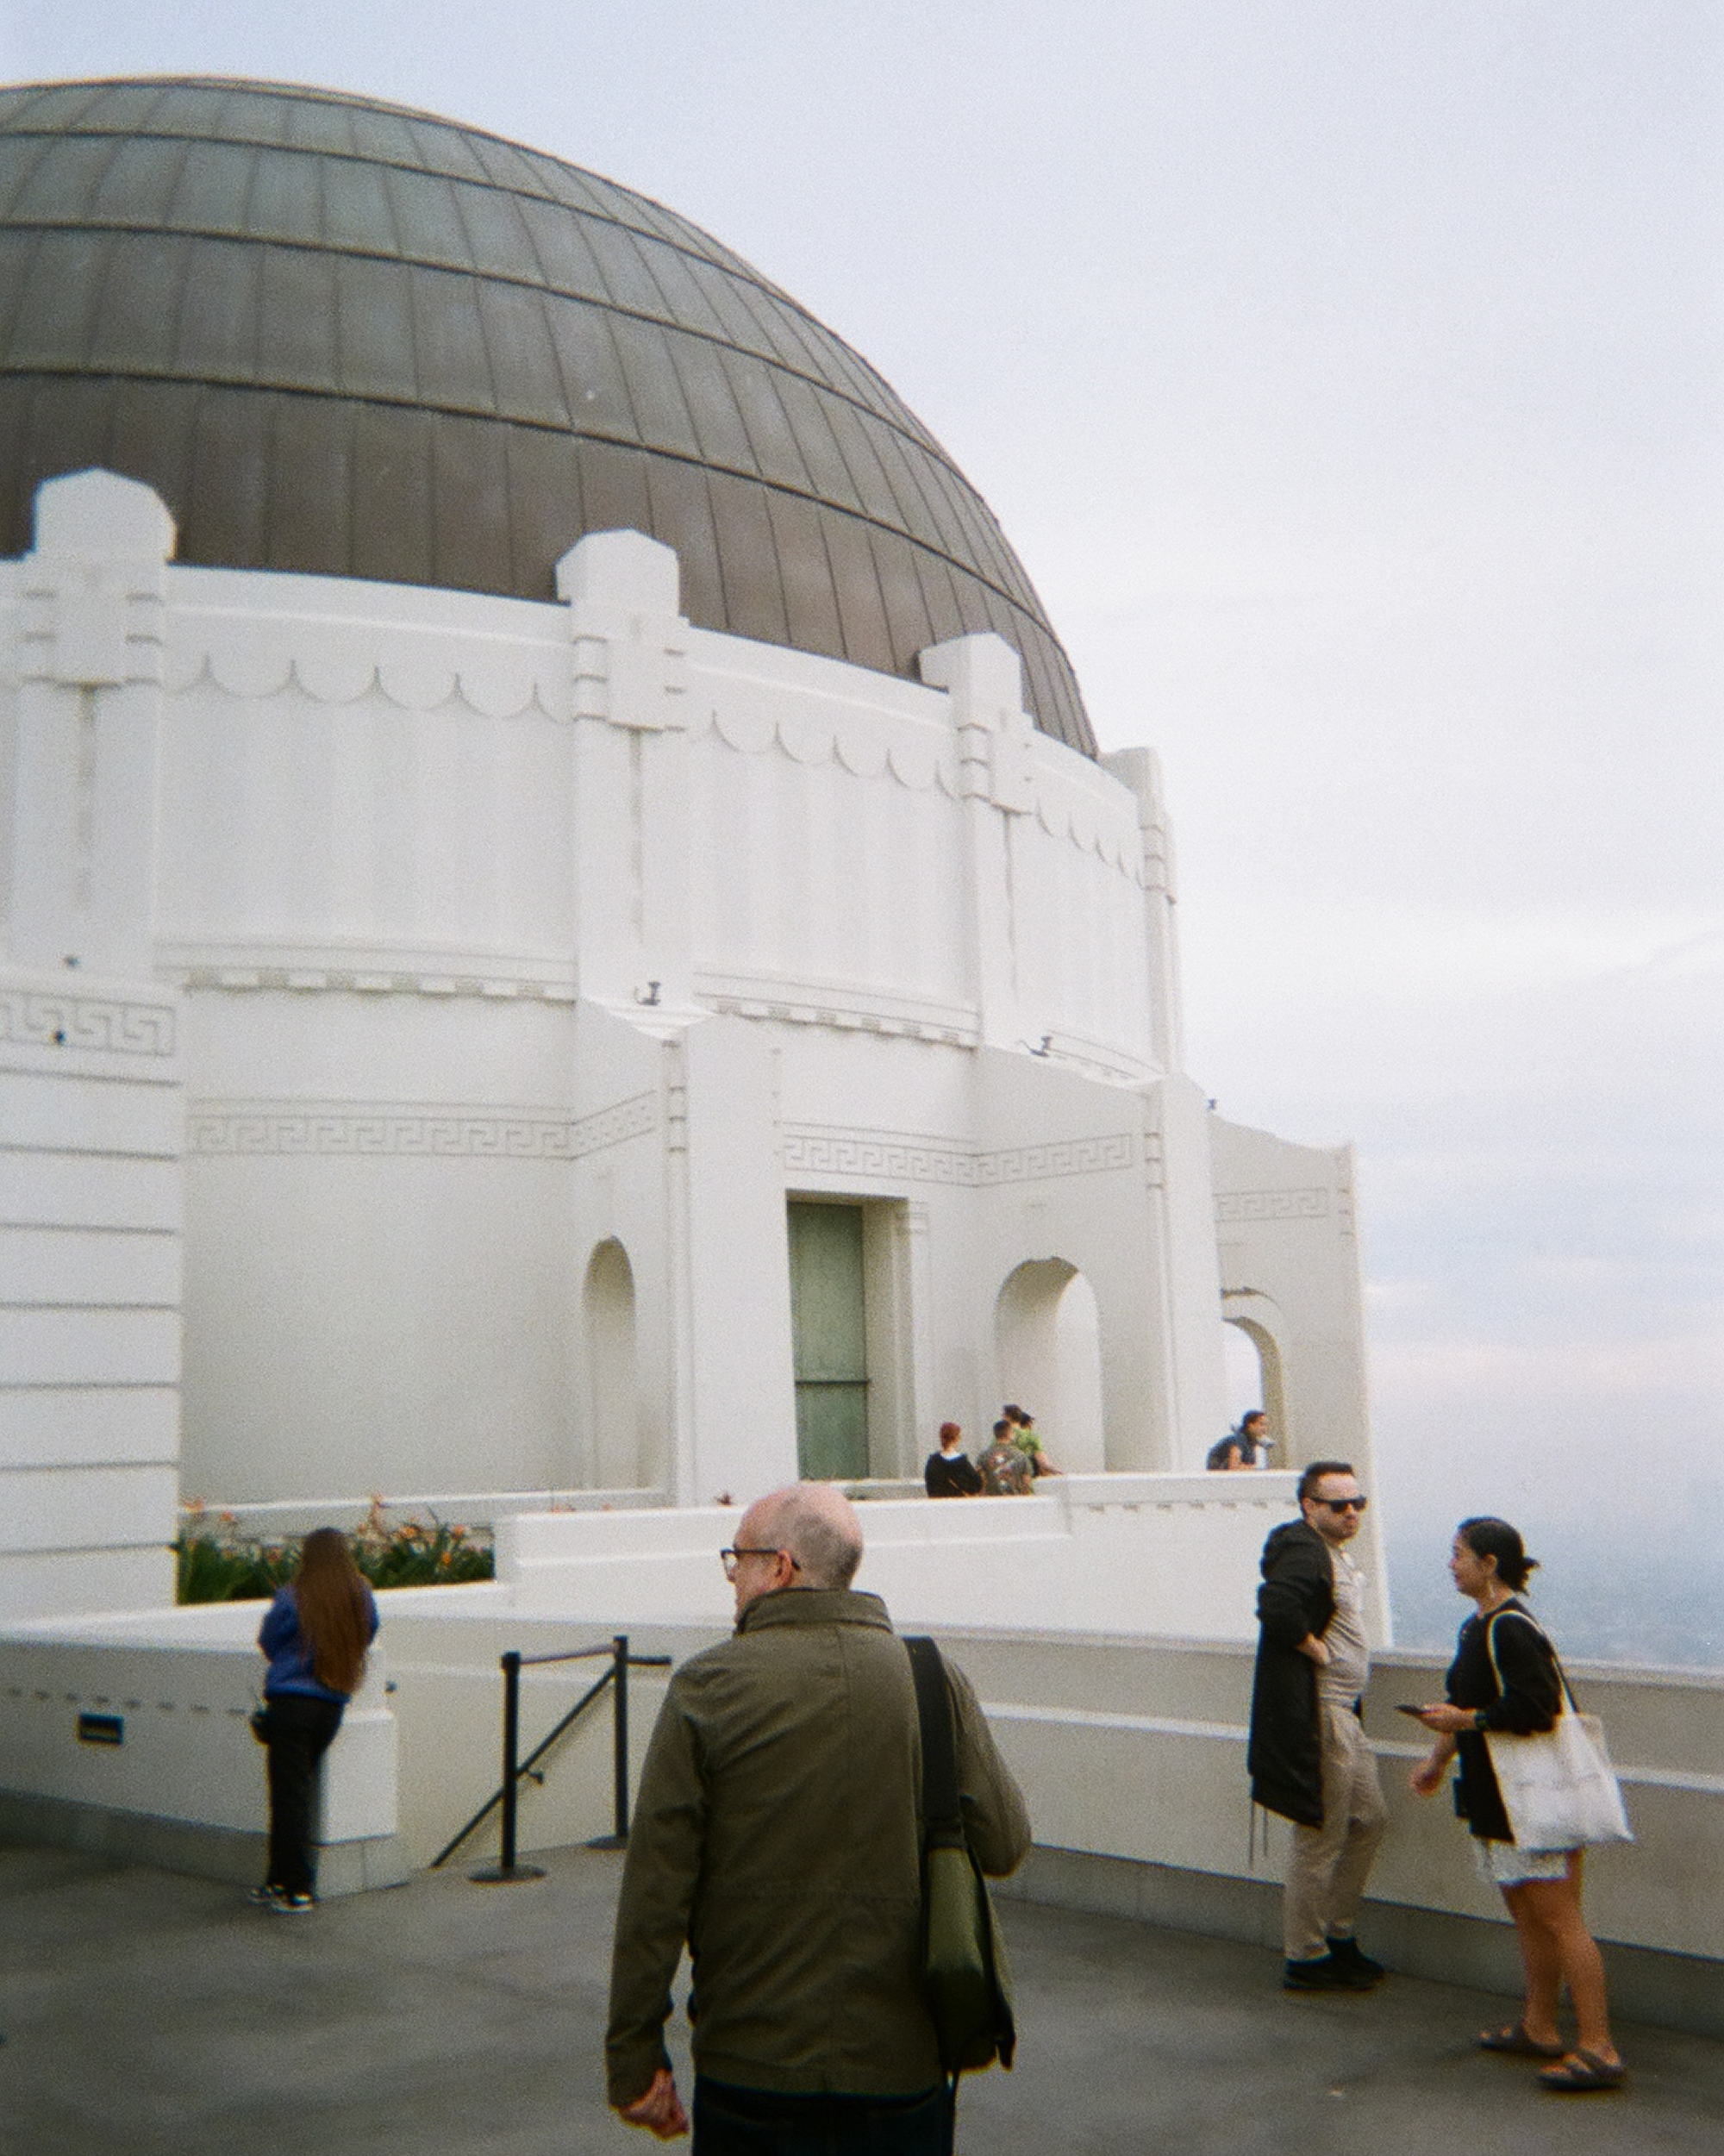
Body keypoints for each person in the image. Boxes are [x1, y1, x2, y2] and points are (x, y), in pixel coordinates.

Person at [606, 1483, 1030, 2149]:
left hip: (752, 2066)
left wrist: (634, 2058)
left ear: (780, 1566)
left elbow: (656, 1894)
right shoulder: (930, 1677)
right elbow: (1005, 1843)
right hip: (901, 2068)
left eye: (736, 1560)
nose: (731, 1579)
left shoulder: (708, 1687)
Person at [1409, 1517, 1624, 2091]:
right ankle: (1540, 2025)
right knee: (1529, 1914)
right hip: (1500, 1795)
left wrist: (1467, 1722)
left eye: (1459, 1554)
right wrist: (1437, 1757)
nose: (1451, 1563)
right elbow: (1467, 1700)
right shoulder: (1475, 1627)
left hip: (1531, 1796)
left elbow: (1535, 1705)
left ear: (1489, 1563)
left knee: (1559, 1917)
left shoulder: (1509, 1627)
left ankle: (1598, 2045)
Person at [1246, 1459, 1388, 1990]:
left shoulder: (1330, 1553)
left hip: (1345, 1714)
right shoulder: (1304, 1548)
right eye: (1339, 1505)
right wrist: (1314, 1648)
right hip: (1324, 1714)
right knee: (1320, 1836)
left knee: (1369, 1819)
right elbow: (1277, 1607)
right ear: (1310, 1507)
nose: (1352, 1513)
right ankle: (1306, 1956)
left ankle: (1337, 1933)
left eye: (1358, 1503)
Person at [251, 1527, 378, 1912]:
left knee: (289, 1799)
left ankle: (296, 1888)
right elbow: (368, 1632)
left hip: (291, 1704)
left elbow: (269, 1640)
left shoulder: (292, 1596)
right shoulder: (359, 1594)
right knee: (295, 1793)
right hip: (331, 1704)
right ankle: (276, 1881)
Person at [977, 1419, 1035, 1496]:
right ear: (1009, 1434)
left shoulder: (984, 1455)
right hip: (1015, 1500)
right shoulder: (1020, 1455)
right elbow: (1026, 1481)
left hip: (992, 1501)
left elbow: (980, 1480)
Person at [924, 1421, 982, 1497]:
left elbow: (930, 1487)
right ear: (957, 1439)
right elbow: (976, 1486)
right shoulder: (962, 1462)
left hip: (939, 1506)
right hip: (959, 1505)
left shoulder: (933, 1462)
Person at [1003, 1405, 1059, 1477]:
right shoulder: (1031, 1436)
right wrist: (1058, 1472)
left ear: (1006, 1417)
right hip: (1027, 1477)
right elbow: (1042, 1461)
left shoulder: (1000, 1437)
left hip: (1007, 1478)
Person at [1207, 1409, 1271, 1472]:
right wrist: (1255, 1469)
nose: (1264, 1428)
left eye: (1265, 1425)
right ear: (1250, 1425)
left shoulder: (1251, 1442)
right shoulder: (1238, 1440)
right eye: (1261, 1424)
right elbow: (1234, 1467)